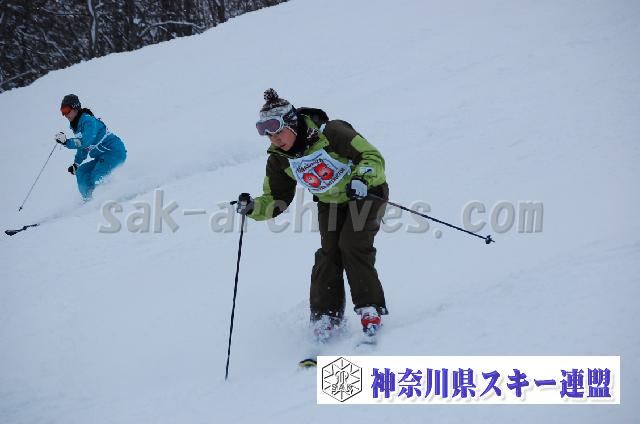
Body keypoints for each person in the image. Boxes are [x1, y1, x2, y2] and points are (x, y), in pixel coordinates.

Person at [236, 89, 389, 341]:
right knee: (329, 253)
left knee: (352, 245)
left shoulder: (332, 132)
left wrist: (362, 178)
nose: (274, 139)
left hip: (365, 193)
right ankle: (326, 315)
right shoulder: (279, 159)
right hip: (330, 203)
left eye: (278, 131)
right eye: (269, 135)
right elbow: (277, 198)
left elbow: (371, 156)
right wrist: (253, 207)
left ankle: (369, 308)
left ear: (292, 124)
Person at [55, 94, 127, 200]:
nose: (65, 114)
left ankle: (110, 196)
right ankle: (89, 199)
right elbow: (83, 148)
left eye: (66, 110)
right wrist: (76, 164)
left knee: (97, 175)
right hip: (102, 156)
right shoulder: (77, 126)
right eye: (62, 111)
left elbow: (85, 142)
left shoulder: (89, 121)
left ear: (75, 108)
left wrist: (66, 142)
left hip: (113, 152)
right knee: (81, 172)